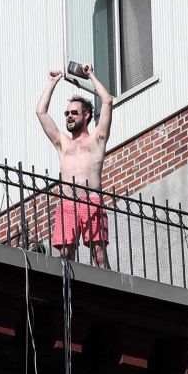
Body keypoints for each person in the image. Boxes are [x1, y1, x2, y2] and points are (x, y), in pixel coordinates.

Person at [36, 65, 114, 265]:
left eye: (74, 113)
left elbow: (107, 101)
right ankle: (69, 293)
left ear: (86, 115)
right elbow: (41, 112)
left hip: (92, 201)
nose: (69, 116)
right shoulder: (63, 143)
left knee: (99, 254)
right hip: (67, 203)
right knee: (66, 256)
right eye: (66, 114)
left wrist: (90, 75)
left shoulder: (97, 139)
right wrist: (52, 83)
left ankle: (106, 290)